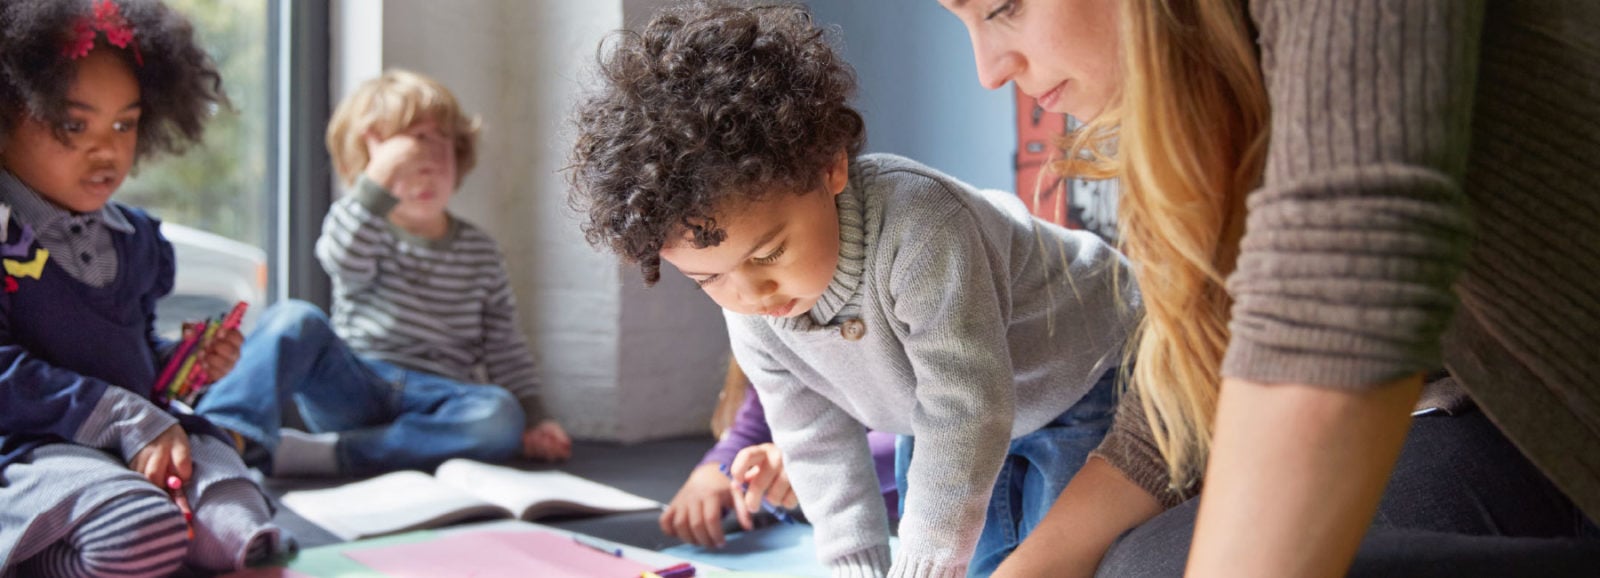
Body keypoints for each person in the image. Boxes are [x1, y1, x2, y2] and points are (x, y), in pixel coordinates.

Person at [942, 0, 1600, 576]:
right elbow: (1182, 399)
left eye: (1004, 7)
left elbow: (1347, 291)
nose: (989, 71)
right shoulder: (1206, 96)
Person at [567, 2, 1141, 575]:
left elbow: (965, 409)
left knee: (1062, 563)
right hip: (940, 412)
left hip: (1084, 375)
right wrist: (855, 565)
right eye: (708, 279)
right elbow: (812, 438)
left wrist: (923, 564)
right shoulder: (750, 305)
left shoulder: (922, 229)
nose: (753, 294)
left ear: (830, 166)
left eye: (769, 253)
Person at [0, 1, 291, 574]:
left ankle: (166, 537)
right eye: (73, 124)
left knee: (238, 509)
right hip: (31, 449)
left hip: (134, 442)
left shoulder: (136, 240)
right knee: (138, 527)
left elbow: (129, 363)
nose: (106, 149)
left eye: (124, 123)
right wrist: (128, 420)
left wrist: (185, 365)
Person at [195, 69, 571, 478]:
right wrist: (381, 176)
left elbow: (504, 343)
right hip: (359, 384)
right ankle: (217, 434)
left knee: (499, 415)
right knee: (293, 319)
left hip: (439, 398)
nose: (424, 169)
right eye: (407, 159)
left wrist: (535, 418)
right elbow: (340, 257)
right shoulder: (363, 228)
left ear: (459, 156)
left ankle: (334, 455)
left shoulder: (479, 250)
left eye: (438, 148)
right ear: (369, 168)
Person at [662, 379, 900, 548]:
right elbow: (759, 421)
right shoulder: (767, 328)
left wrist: (819, 460)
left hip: (916, 524)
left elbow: (930, 432)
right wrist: (714, 469)